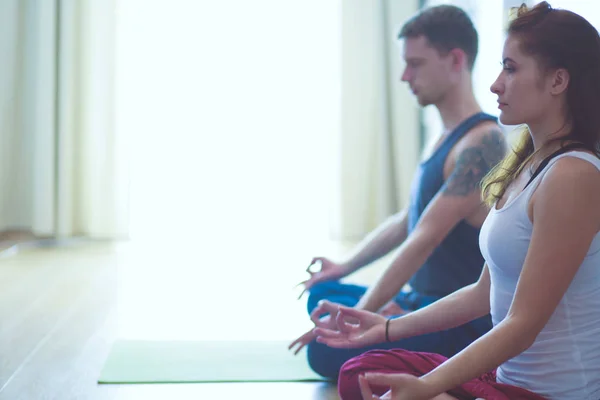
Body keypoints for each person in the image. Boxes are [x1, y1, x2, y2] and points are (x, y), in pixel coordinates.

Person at [314, 2, 600, 399]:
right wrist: (383, 326)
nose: (496, 84)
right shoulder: (530, 166)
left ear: (557, 81)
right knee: (360, 372)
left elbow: (523, 324)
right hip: (503, 380)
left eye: (511, 68)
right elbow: (483, 293)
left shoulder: (574, 175)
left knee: (379, 386)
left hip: (545, 394)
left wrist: (427, 386)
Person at [289, 4, 507, 380]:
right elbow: (409, 218)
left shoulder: (483, 141)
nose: (405, 76)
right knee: (323, 296)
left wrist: (359, 322)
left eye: (416, 63)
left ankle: (396, 321)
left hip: (455, 321)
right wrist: (345, 266)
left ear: (455, 60)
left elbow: (423, 237)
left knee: (324, 352)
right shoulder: (447, 137)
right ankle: (395, 312)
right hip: (418, 303)